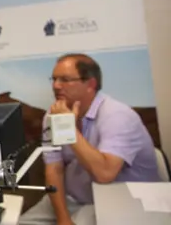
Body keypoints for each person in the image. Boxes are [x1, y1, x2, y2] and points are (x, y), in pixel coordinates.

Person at [19, 54, 160, 225]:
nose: (56, 86)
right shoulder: (52, 115)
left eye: (65, 79)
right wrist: (63, 218)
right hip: (73, 197)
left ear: (90, 84)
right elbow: (54, 169)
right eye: (54, 79)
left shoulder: (118, 116)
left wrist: (67, 128)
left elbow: (104, 174)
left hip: (120, 201)